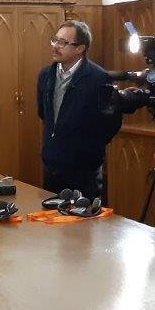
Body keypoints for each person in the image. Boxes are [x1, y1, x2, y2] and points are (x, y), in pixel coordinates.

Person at [36, 20, 122, 200]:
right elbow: (43, 114)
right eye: (55, 40)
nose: (56, 46)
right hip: (52, 166)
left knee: (83, 217)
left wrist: (88, 147)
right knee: (50, 215)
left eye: (63, 43)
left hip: (84, 170)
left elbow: (111, 123)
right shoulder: (46, 75)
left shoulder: (98, 78)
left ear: (80, 48)